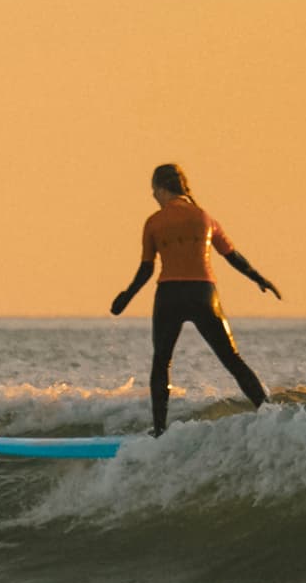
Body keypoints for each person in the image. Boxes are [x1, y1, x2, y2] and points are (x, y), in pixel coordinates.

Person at [109, 162, 279, 435]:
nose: (153, 196)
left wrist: (125, 298)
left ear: (163, 189)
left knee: (161, 362)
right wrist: (259, 279)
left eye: (154, 191)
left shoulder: (154, 222)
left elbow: (146, 269)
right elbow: (232, 256)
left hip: (170, 295)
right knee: (232, 359)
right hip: (203, 294)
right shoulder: (204, 217)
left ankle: (160, 430)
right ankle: (270, 413)